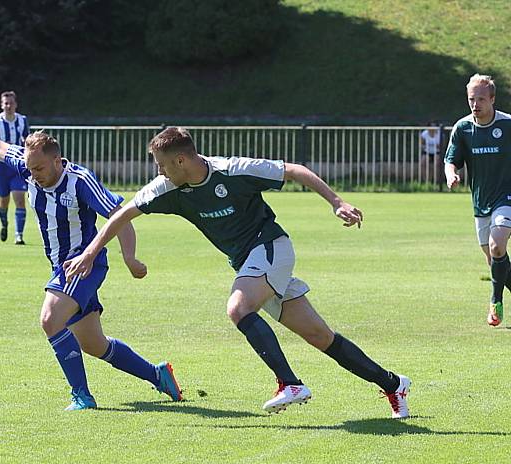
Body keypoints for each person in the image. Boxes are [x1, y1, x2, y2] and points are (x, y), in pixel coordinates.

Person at [64, 127, 412, 418]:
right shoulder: (167, 189)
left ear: (181, 160)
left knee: (238, 308)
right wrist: (93, 253)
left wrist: (337, 202)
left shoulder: (234, 170)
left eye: (161, 164)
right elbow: (122, 215)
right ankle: (394, 384)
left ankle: (289, 383)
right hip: (251, 263)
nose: (158, 171)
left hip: (271, 247)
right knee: (321, 337)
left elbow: (295, 170)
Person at [0, 114, 183, 410]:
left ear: (58, 161)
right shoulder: (28, 167)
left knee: (49, 319)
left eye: (40, 168)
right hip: (61, 266)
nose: (34, 174)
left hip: (85, 263)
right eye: (30, 169)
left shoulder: (79, 181)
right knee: (94, 344)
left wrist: (130, 258)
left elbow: (119, 215)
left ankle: (82, 396)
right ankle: (157, 375)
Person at [444, 74, 511, 327]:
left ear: (492, 99)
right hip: (480, 201)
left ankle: (495, 300)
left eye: (481, 99)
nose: (475, 104)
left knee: (497, 244)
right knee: (494, 259)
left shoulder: (507, 125)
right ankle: (498, 291)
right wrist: (451, 174)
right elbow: (451, 159)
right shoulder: (463, 128)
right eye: (472, 99)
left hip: (506, 197)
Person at [0, 91, 30, 245]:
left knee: (20, 199)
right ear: (1, 105)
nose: (8, 106)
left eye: (11, 103)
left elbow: (27, 139)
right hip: (0, 167)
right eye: (6, 103)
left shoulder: (23, 120)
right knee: (4, 200)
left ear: (15, 104)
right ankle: (4, 224)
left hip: (17, 166)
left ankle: (19, 235)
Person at [419, 122, 443, 190]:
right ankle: (426, 182)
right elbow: (421, 144)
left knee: (437, 163)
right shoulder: (424, 134)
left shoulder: (439, 134)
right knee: (423, 162)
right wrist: (426, 147)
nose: (433, 129)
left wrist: (436, 147)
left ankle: (437, 182)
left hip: (437, 152)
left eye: (434, 127)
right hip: (427, 152)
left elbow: (442, 145)